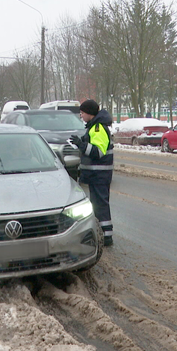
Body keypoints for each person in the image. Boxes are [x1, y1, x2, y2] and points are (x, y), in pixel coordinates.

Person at [70, 99, 114, 246]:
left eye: (82, 113)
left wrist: (81, 145)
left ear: (89, 113)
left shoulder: (98, 128)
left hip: (99, 175)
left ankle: (106, 237)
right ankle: (101, 233)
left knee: (100, 205)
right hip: (97, 175)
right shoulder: (93, 127)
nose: (81, 116)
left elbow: (98, 152)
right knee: (97, 204)